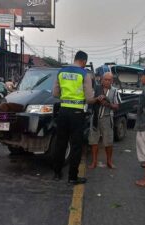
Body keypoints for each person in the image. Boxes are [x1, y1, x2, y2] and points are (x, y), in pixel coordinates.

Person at [52, 51, 96, 185]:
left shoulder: (61, 72)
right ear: (84, 62)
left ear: (75, 59)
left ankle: (57, 174)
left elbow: (55, 94)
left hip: (63, 111)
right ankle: (72, 177)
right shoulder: (84, 74)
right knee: (76, 145)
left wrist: (66, 98)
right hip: (77, 113)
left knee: (61, 144)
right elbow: (88, 99)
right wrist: (96, 99)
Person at [88, 72, 121, 169]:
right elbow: (89, 100)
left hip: (107, 118)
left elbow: (117, 106)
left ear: (112, 81)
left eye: (109, 80)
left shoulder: (115, 91)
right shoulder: (96, 89)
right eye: (105, 79)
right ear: (102, 80)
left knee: (108, 141)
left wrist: (107, 104)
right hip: (95, 117)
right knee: (94, 141)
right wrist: (97, 99)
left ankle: (109, 161)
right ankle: (94, 162)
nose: (106, 81)